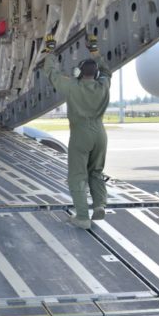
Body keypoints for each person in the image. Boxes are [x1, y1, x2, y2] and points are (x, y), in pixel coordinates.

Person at [43, 34, 111, 230]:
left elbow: (51, 74)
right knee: (96, 172)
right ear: (96, 74)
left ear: (79, 73)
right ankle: (99, 204)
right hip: (100, 133)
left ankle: (82, 216)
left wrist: (50, 52)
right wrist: (95, 51)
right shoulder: (104, 84)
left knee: (77, 175)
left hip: (81, 134)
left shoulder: (73, 85)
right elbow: (106, 71)